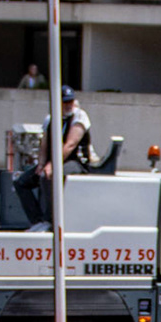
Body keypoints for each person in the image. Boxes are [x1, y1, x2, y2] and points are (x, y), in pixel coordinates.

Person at [13, 85, 94, 228]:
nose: (69, 105)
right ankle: (37, 220)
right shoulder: (50, 119)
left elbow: (70, 144)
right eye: (65, 102)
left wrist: (51, 166)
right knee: (21, 182)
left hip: (76, 162)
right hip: (55, 161)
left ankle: (50, 220)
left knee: (48, 176)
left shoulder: (79, 116)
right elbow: (44, 144)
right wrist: (41, 164)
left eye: (71, 101)